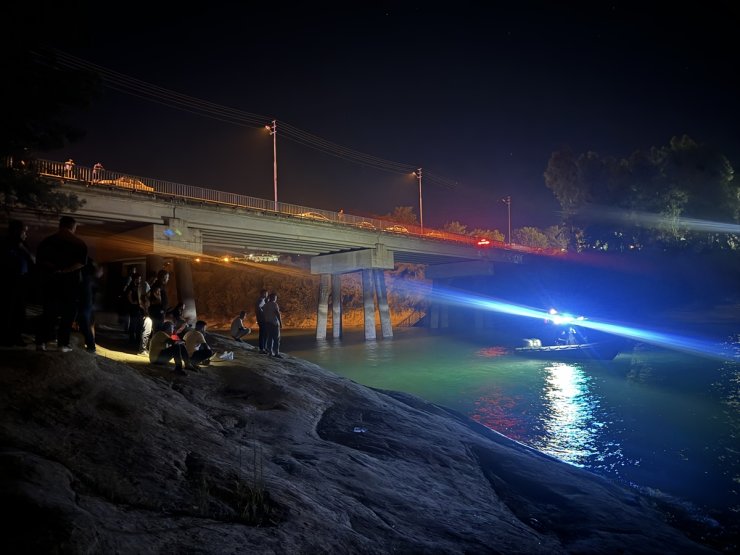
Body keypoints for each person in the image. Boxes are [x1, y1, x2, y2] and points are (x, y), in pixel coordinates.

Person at [35, 216, 88, 352]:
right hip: (70, 284)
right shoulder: (79, 243)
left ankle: (41, 342)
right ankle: (62, 344)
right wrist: (65, 270)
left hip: (51, 281)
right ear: (73, 227)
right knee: (68, 314)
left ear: (60, 225)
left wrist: (55, 269)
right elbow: (80, 263)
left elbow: (40, 260)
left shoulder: (48, 241)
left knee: (48, 312)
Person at [1, 220, 35, 346]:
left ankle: (16, 337)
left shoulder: (23, 244)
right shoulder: (5, 243)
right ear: (16, 231)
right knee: (8, 309)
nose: (26, 234)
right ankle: (6, 338)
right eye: (24, 231)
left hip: (21, 280)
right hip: (8, 280)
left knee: (19, 310)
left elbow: (31, 261)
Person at [77, 257, 103, 353]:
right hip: (87, 303)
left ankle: (91, 346)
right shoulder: (90, 278)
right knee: (86, 324)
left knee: (85, 323)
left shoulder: (87, 278)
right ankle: (91, 346)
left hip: (86, 303)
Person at [263, 292, 283, 358]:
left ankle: (270, 352)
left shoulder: (265, 305)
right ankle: (276, 353)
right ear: (274, 298)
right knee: (276, 339)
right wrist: (280, 323)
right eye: (276, 297)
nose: (276, 298)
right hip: (274, 324)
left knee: (270, 338)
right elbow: (277, 314)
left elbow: (264, 314)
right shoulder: (275, 304)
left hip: (267, 324)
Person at [254, 289, 268, 353]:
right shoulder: (261, 300)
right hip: (262, 320)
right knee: (263, 334)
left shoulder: (261, 300)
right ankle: (262, 349)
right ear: (263, 294)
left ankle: (263, 347)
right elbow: (258, 307)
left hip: (260, 319)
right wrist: (263, 313)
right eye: (266, 293)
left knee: (264, 333)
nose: (267, 295)